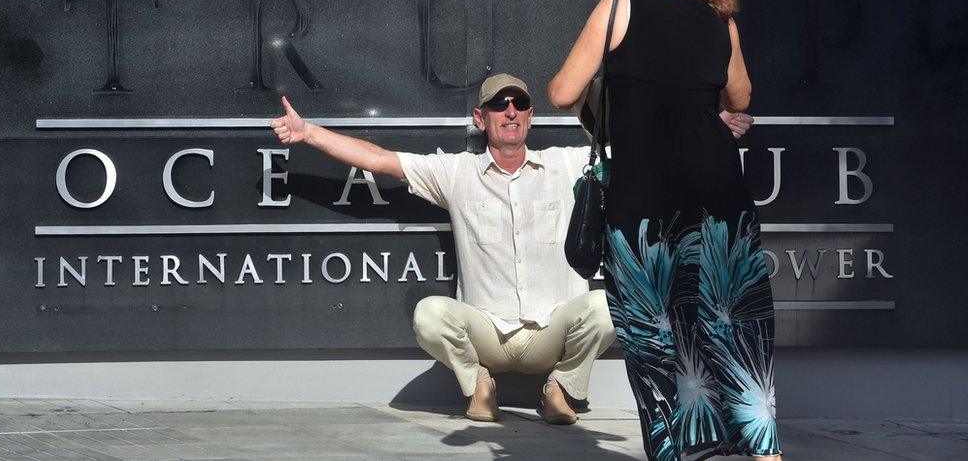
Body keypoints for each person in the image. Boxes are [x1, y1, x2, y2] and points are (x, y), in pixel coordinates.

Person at [270, 72, 753, 426]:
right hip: (489, 334)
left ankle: (561, 388)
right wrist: (308, 133)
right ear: (481, 118)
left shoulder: (567, 165)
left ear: (530, 115)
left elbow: (648, 153)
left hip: (553, 331)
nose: (510, 112)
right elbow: (379, 160)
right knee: (429, 315)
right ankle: (479, 385)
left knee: (612, 303)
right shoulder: (456, 173)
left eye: (519, 103)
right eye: (499, 104)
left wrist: (710, 128)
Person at [547, 0, 782, 460]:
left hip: (645, 201)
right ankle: (764, 450)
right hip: (719, 192)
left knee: (654, 334)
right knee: (735, 322)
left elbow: (561, 91)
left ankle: (679, 450)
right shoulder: (721, 19)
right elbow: (740, 98)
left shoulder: (619, 4)